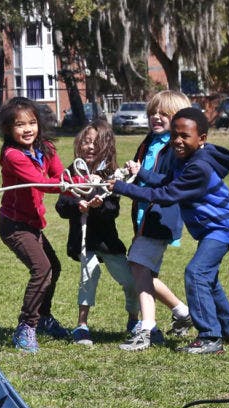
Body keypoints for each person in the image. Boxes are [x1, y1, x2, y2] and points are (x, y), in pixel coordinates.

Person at [108, 106, 229, 354]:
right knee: (208, 279)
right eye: (174, 135)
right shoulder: (187, 159)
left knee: (196, 273)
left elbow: (166, 195)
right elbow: (167, 182)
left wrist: (122, 188)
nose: (177, 141)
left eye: (185, 136)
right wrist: (143, 174)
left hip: (223, 227)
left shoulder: (198, 167)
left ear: (202, 138)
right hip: (211, 228)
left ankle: (209, 338)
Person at [0, 97, 76, 352]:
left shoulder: (47, 149)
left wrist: (82, 182)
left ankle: (43, 318)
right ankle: (26, 326)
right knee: (42, 269)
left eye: (32, 122)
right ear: (9, 129)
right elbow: (41, 182)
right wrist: (64, 185)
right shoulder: (12, 155)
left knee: (53, 266)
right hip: (14, 225)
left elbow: (59, 175)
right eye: (20, 125)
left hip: (33, 224)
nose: (27, 129)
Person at [118, 90, 193, 352]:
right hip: (142, 216)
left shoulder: (176, 147)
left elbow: (167, 185)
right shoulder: (149, 141)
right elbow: (143, 174)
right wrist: (130, 173)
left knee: (138, 267)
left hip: (160, 218)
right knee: (142, 271)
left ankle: (146, 329)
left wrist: (142, 174)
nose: (156, 117)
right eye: (153, 113)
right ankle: (183, 311)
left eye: (164, 113)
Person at [55, 120, 139, 345]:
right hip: (84, 240)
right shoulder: (72, 173)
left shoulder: (112, 175)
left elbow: (113, 210)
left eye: (96, 142)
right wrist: (78, 206)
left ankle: (134, 320)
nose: (90, 146)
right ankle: (81, 326)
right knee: (88, 276)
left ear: (106, 146)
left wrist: (97, 205)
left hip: (107, 240)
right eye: (86, 141)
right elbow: (61, 206)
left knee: (130, 281)